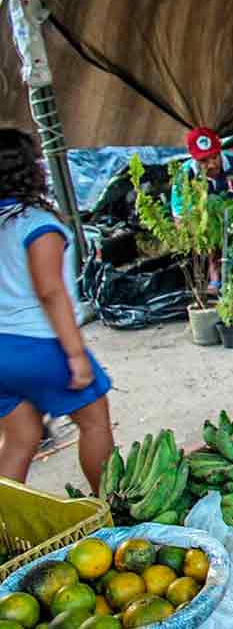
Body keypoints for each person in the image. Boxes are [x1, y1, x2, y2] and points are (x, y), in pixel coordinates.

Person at [0, 129, 114, 493]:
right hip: (38, 344)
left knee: (21, 438)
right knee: (95, 424)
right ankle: (115, 509)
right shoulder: (36, 225)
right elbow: (50, 292)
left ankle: (4, 529)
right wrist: (76, 354)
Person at [172, 127, 233, 292]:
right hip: (205, 229)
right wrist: (196, 238)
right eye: (204, 161)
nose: (212, 164)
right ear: (193, 158)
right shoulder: (183, 175)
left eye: (215, 157)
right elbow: (180, 216)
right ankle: (214, 275)